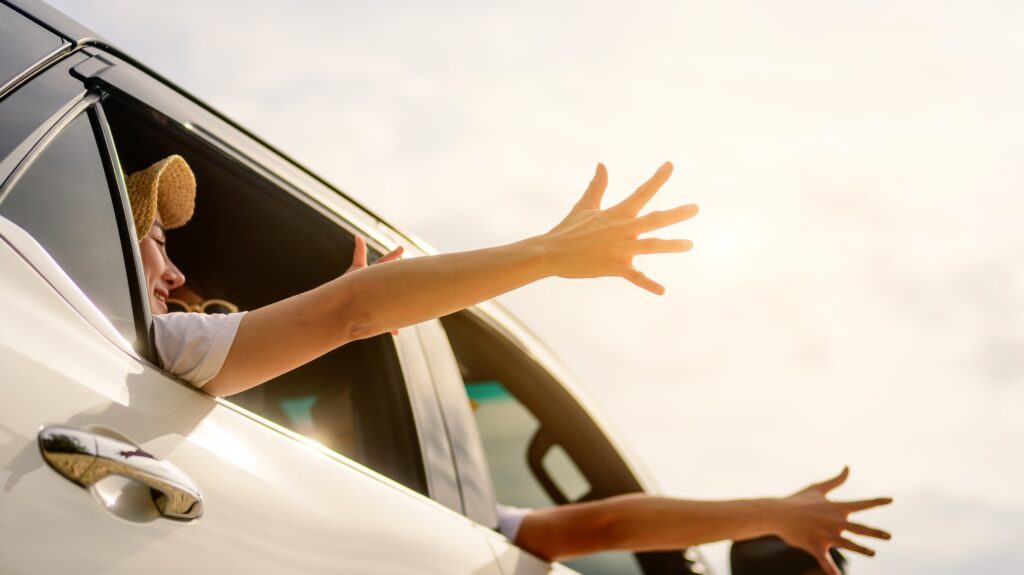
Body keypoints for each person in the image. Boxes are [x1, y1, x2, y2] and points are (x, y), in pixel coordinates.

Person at [128, 155, 890, 575]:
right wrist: (550, 253)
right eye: (159, 240)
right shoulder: (155, 354)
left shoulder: (164, 389)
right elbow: (348, 312)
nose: (172, 272)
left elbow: (605, 523)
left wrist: (767, 513)